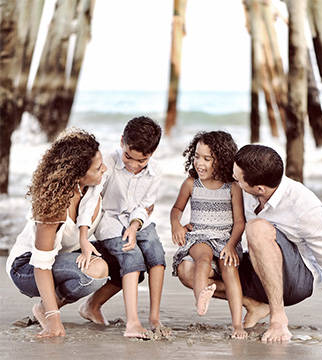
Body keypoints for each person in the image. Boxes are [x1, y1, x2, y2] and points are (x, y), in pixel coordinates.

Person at [178, 144, 322, 342]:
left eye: (237, 177)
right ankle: (255, 305)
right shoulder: (245, 189)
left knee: (257, 228)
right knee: (188, 270)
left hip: (295, 281)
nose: (233, 179)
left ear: (259, 188)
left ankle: (278, 318)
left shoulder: (305, 206)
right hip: (258, 268)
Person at [6, 128, 109, 338]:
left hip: (62, 257)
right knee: (96, 271)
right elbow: (41, 265)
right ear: (78, 174)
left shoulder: (92, 187)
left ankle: (62, 307)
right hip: (27, 267)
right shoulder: (52, 208)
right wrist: (54, 322)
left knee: (125, 255)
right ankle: (47, 310)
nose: (105, 169)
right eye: (98, 168)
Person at [79, 116, 167, 339]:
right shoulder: (106, 165)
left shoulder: (155, 171)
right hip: (109, 222)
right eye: (129, 157)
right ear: (122, 142)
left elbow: (145, 205)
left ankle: (154, 318)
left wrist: (135, 225)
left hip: (136, 220)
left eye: (142, 160)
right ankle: (133, 323)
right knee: (132, 254)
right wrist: (83, 236)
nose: (133, 164)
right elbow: (91, 200)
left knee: (155, 250)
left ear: (152, 153)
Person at [171, 131, 248, 339]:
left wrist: (231, 245)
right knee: (203, 259)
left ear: (222, 160)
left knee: (229, 269)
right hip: (199, 236)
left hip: (225, 238)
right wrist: (176, 225)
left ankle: (237, 325)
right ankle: (201, 298)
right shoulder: (191, 183)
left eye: (207, 159)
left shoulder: (232, 187)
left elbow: (240, 222)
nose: (199, 163)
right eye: (196, 156)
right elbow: (176, 209)